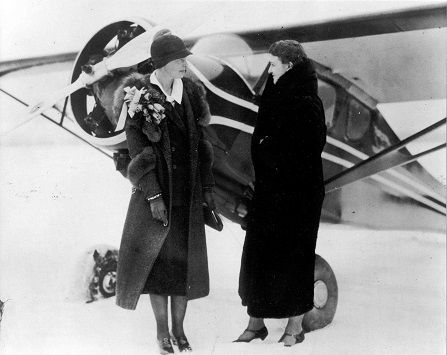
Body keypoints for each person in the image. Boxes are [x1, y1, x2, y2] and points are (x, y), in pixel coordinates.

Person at [114, 34, 216, 354]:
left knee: (183, 269)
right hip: (156, 198)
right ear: (162, 63)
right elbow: (138, 154)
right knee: (158, 270)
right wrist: (154, 197)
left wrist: (207, 190)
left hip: (186, 194)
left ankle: (180, 330)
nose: (186, 63)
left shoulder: (191, 94)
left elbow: (202, 148)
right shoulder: (138, 97)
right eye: (180, 59)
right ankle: (162, 333)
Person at [235, 40, 327, 347]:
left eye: (273, 64)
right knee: (259, 256)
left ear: (288, 65)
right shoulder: (274, 93)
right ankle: (255, 323)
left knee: (293, 259)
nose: (269, 70)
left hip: (297, 195)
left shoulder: (306, 99)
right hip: (270, 191)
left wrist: (271, 156)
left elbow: (308, 151)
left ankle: (294, 328)